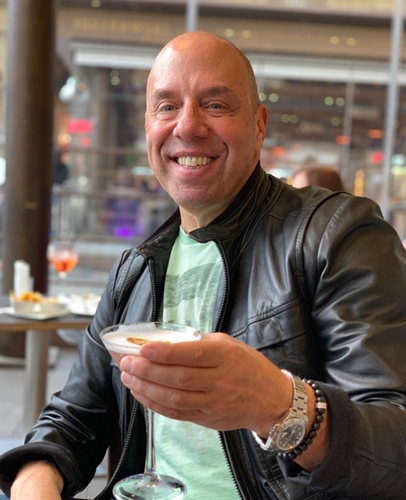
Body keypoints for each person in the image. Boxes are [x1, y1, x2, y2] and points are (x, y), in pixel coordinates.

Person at [1, 31, 406, 500]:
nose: (188, 126)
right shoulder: (135, 269)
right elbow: (73, 418)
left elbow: (395, 444)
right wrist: (33, 481)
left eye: (215, 105)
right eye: (167, 106)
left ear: (259, 124)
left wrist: (280, 406)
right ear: (149, 125)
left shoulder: (335, 234)